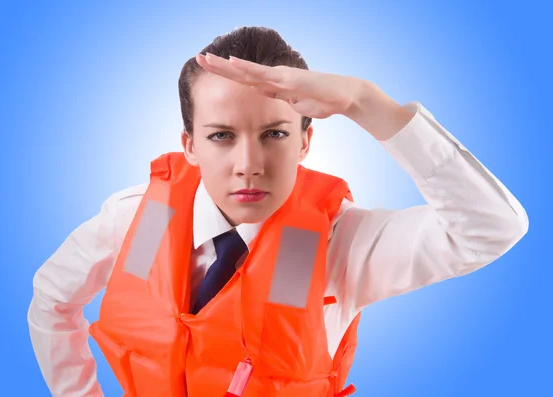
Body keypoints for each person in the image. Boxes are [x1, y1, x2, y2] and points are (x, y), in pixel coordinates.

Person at [27, 26, 529, 397]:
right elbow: (53, 299)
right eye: (222, 136)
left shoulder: (338, 243)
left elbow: (491, 227)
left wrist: (365, 102)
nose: (249, 166)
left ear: (306, 142)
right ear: (190, 145)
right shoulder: (140, 219)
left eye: (275, 134)